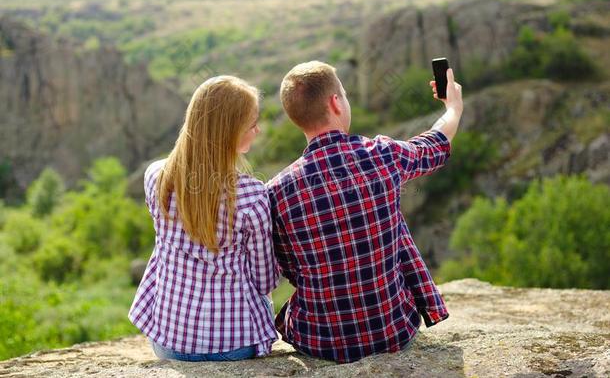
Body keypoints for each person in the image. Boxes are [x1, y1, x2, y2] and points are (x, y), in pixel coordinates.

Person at [267, 61, 463, 363]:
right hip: (393, 330)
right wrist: (453, 107)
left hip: (320, 341)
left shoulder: (277, 191)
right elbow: (433, 145)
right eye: (343, 94)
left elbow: (289, 269)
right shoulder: (381, 154)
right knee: (387, 217)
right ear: (335, 103)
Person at [129, 76, 279, 362]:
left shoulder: (156, 177)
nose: (258, 130)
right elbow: (264, 282)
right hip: (234, 345)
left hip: (168, 341)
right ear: (230, 133)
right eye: (252, 124)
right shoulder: (252, 196)